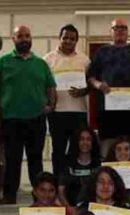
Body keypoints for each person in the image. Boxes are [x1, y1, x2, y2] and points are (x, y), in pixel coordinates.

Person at [0, 25, 56, 204]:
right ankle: (9, 196)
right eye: (20, 36)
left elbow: (51, 86)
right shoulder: (2, 62)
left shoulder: (41, 63)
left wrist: (51, 105)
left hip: (37, 119)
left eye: (27, 36)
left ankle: (39, 199)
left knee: (36, 162)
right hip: (11, 120)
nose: (24, 39)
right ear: (14, 39)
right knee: (12, 160)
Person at [88, 18, 130, 156]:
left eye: (123, 28)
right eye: (116, 28)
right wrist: (98, 84)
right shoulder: (101, 52)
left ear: (127, 32)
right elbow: (91, 77)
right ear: (111, 32)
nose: (120, 30)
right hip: (108, 109)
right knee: (107, 147)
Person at [44, 24, 90, 181]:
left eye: (72, 39)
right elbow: (43, 85)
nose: (68, 41)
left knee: (78, 150)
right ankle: (58, 183)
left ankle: (76, 183)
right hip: (57, 111)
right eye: (65, 38)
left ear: (76, 41)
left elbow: (90, 85)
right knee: (58, 150)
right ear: (60, 38)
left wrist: (83, 91)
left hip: (79, 111)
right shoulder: (48, 59)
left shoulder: (85, 60)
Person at [60, 127, 100, 205]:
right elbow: (61, 191)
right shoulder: (66, 163)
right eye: (81, 139)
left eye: (88, 139)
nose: (85, 142)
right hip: (70, 207)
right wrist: (69, 209)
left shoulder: (99, 164)